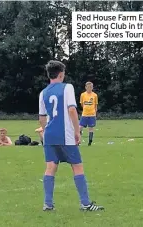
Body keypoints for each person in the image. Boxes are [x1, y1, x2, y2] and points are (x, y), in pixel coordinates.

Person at [39, 60, 104, 211]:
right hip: (65, 134)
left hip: (49, 134)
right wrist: (76, 131)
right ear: (61, 74)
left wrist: (46, 133)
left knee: (50, 167)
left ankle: (48, 204)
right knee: (77, 166)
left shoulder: (43, 93)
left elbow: (42, 117)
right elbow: (72, 110)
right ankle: (86, 203)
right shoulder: (67, 87)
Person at [79, 82, 98, 146]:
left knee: (91, 128)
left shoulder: (95, 95)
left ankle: (90, 141)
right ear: (86, 87)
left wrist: (95, 112)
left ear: (92, 87)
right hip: (84, 114)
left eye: (91, 87)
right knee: (80, 127)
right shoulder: (83, 95)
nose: (89, 88)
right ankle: (79, 140)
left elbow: (95, 105)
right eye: (88, 87)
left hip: (92, 114)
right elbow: (82, 104)